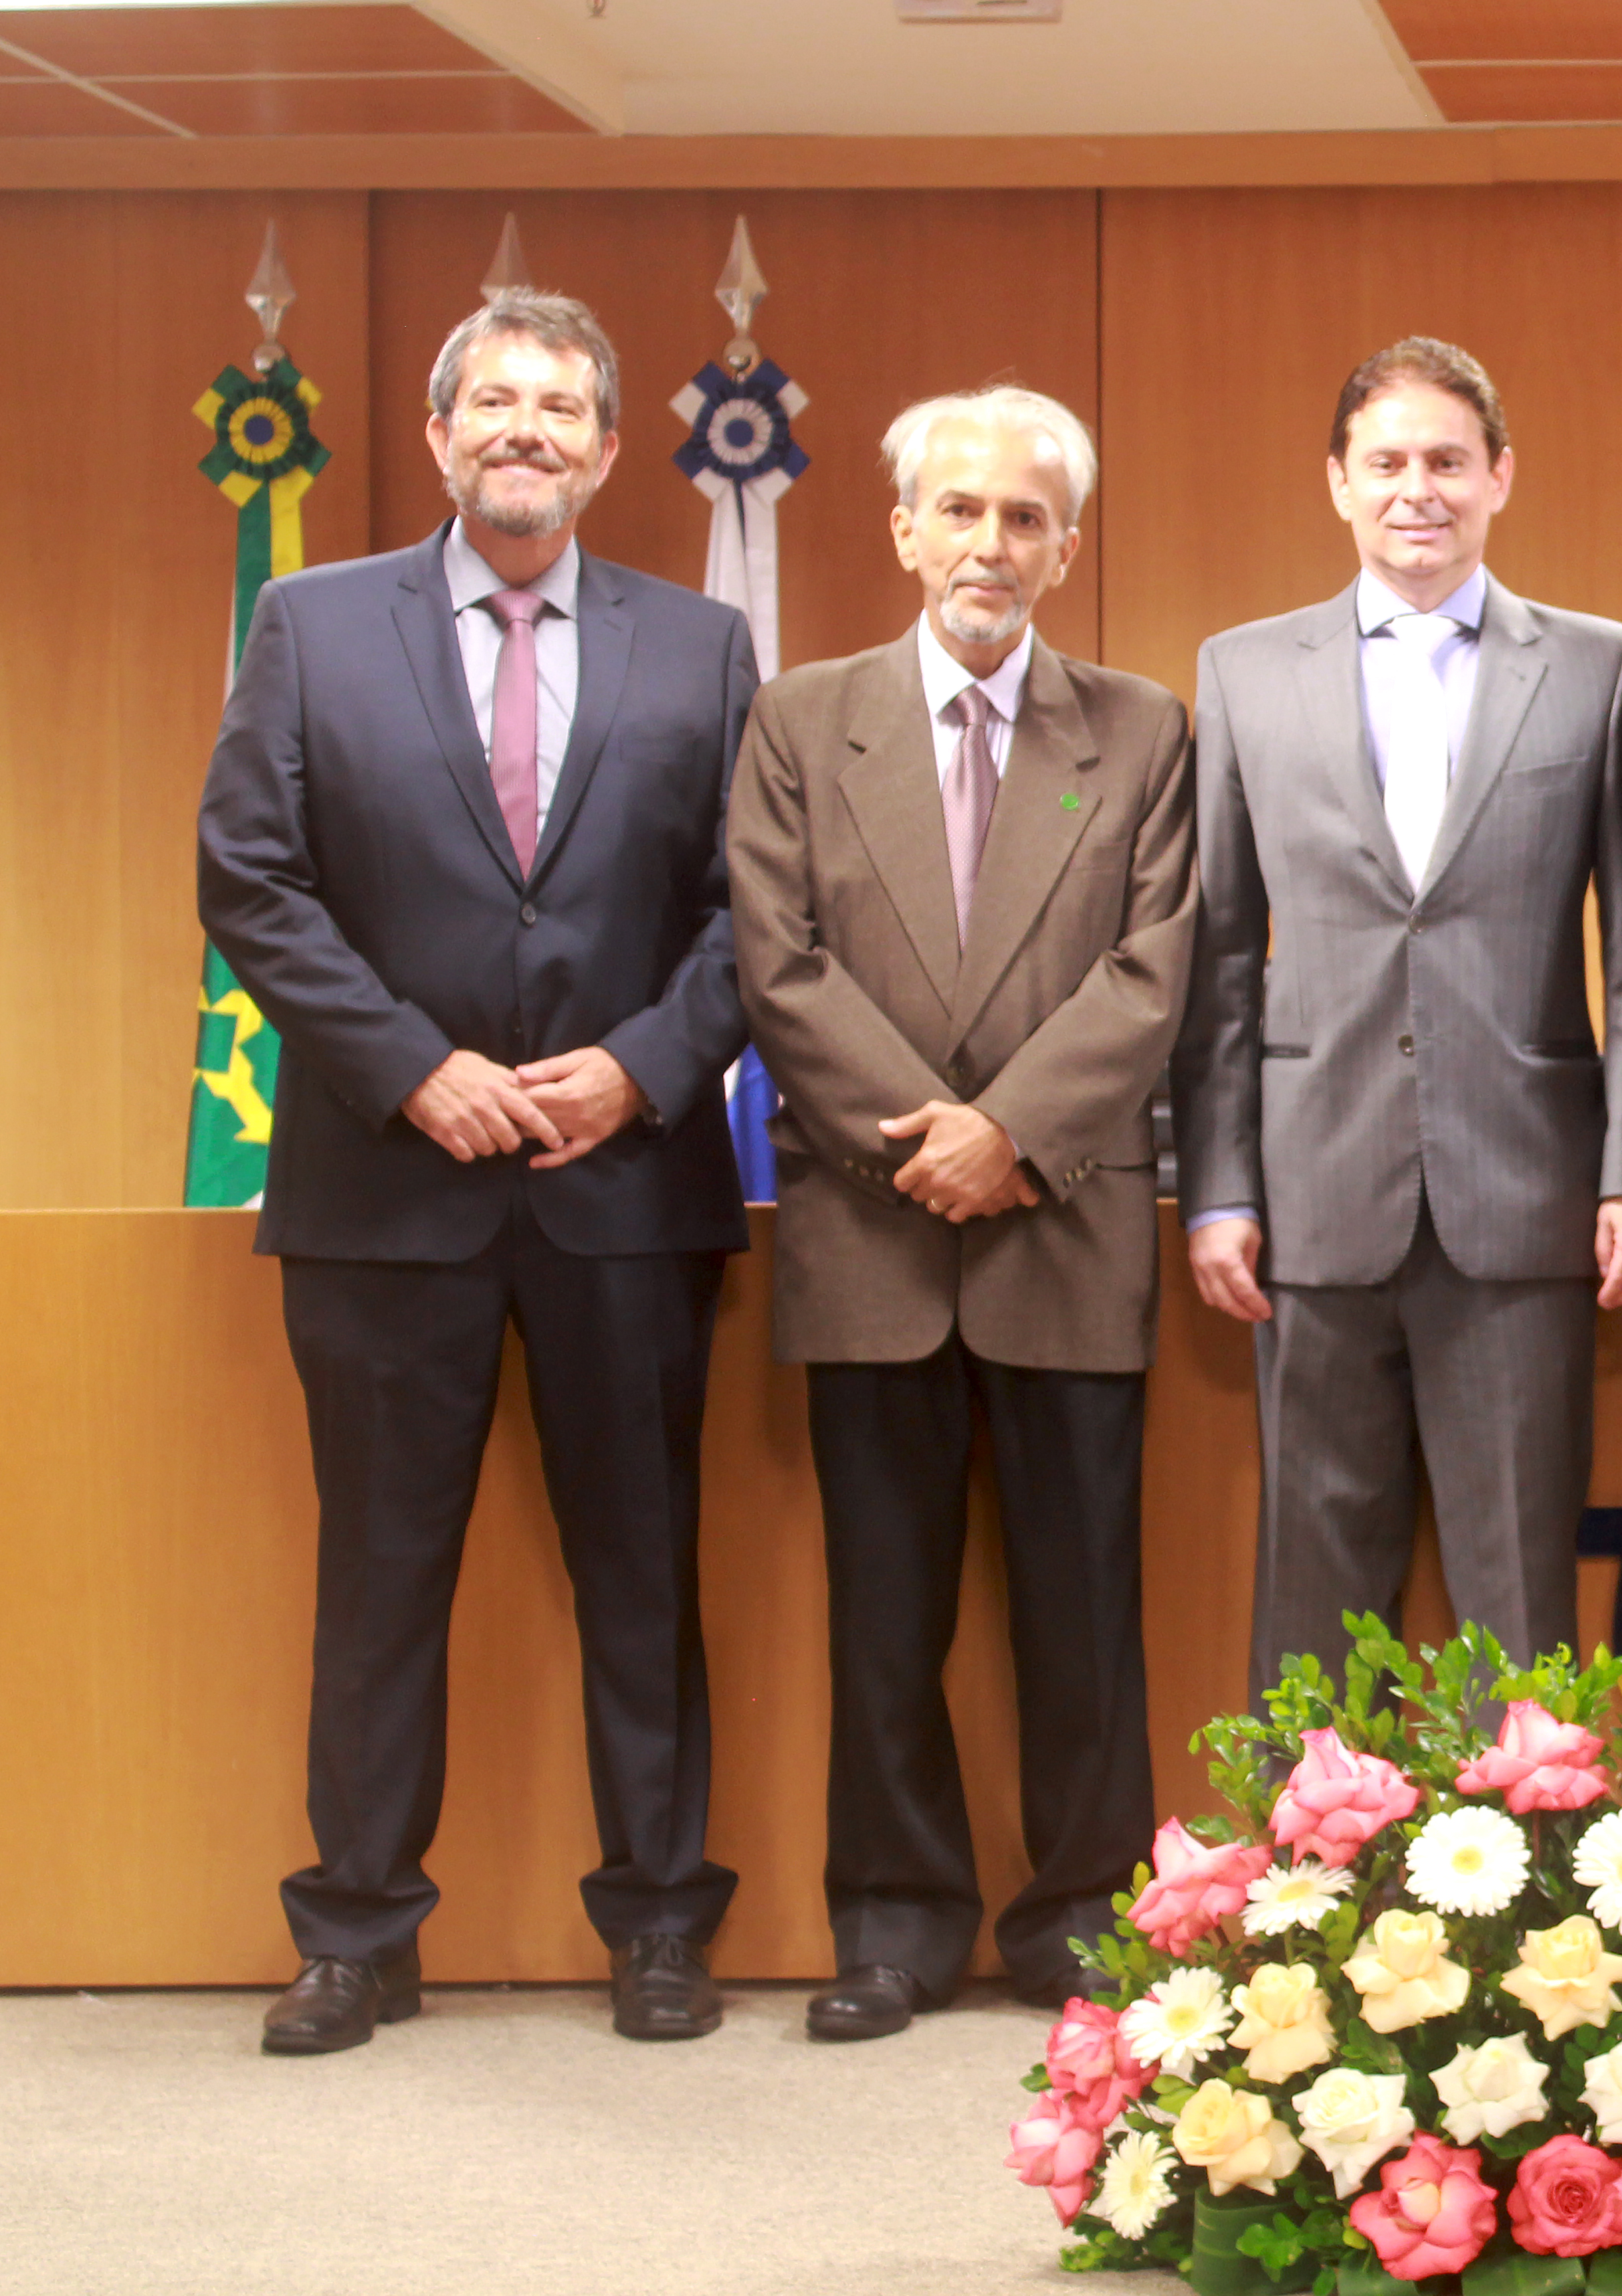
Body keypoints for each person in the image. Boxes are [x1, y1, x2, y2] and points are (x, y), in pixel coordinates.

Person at [196, 288, 756, 2054]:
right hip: (389, 1191)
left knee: (644, 1575)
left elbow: (764, 909)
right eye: (494, 402)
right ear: (438, 437)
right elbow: (249, 878)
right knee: (379, 1579)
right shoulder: (310, 622)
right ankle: (357, 1932)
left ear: (604, 448)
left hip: (626, 1191)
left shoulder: (702, 647)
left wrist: (651, 1065)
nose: (528, 428)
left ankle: (661, 1924)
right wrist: (406, 1068)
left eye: (561, 405)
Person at [728, 387, 1196, 2039]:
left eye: (1023, 517)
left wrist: (1008, 1136)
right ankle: (896, 1923)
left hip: (1061, 1229)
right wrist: (920, 1142)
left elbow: (1157, 974)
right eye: (960, 510)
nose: (989, 542)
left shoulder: (1142, 729)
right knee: (884, 1609)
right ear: (904, 530)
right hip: (873, 1231)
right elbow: (776, 963)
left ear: (1064, 545)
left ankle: (1083, 1915)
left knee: (1083, 1615)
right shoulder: (803, 718)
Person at [1173, 338, 1622, 1682]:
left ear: (1500, 478)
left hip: (1525, 1203)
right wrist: (1217, 1187)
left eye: (1447, 461)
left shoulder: (1599, 666)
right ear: (1337, 483)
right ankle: (1303, 1888)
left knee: (1518, 1606)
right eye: (1388, 462)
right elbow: (1219, 959)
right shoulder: (1239, 672)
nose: (1419, 488)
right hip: (1307, 1201)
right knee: (1311, 1610)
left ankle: (1525, 1904)